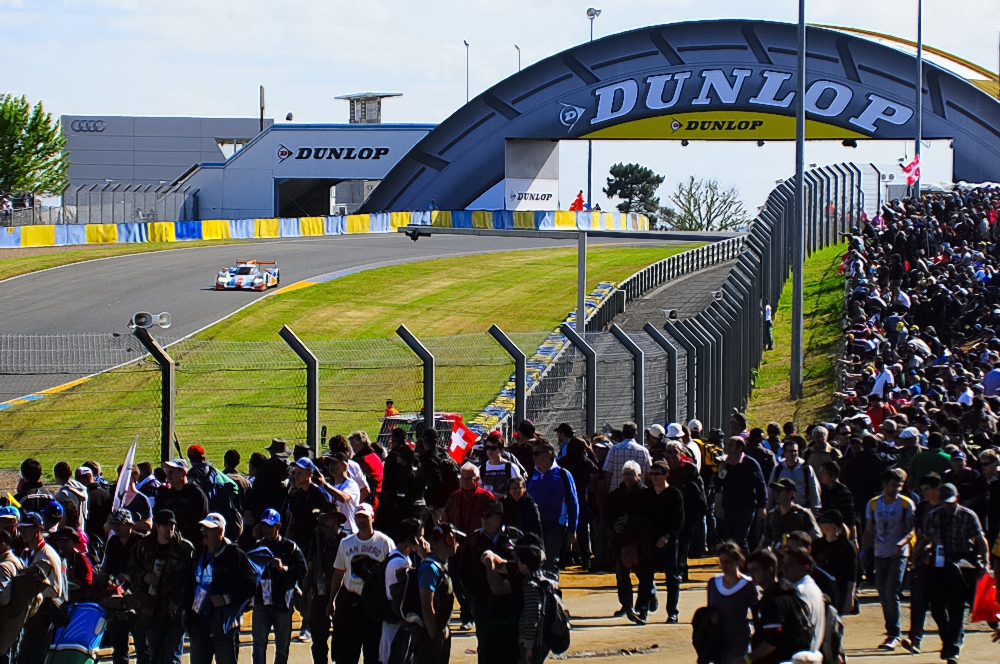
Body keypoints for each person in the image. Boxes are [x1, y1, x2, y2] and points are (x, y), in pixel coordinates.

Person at [922, 482, 989, 663]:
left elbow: (980, 539)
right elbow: (927, 539)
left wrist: (985, 562)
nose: (947, 506)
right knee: (936, 608)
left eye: (950, 502)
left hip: (962, 563)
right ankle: (949, 640)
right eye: (944, 502)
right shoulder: (933, 516)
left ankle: (954, 646)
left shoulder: (968, 516)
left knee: (956, 607)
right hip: (940, 562)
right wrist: (922, 553)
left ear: (957, 498)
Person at [187, 512, 256, 664]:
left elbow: (250, 585)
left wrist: (227, 598)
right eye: (203, 528)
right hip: (200, 623)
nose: (204, 532)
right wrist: (188, 618)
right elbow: (190, 582)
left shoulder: (235, 554)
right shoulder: (199, 551)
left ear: (220, 531)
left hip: (224, 625)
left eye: (208, 529)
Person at [330, 503, 395, 664]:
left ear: (372, 517)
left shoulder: (384, 543)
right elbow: (339, 572)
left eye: (364, 517)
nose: (360, 520)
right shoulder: (346, 543)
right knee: (347, 652)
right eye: (358, 516)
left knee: (373, 653)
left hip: (375, 603)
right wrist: (332, 599)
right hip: (351, 601)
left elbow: (393, 572)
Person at [129, 509, 194, 664]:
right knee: (156, 656)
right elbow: (131, 569)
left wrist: (179, 603)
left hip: (175, 611)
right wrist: (144, 577)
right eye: (165, 525)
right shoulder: (144, 545)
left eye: (172, 525)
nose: (169, 529)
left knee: (172, 657)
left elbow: (190, 580)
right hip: (151, 610)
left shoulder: (184, 548)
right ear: (157, 526)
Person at [461, 501, 522, 664]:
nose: (484, 520)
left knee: (511, 645)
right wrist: (473, 595)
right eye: (482, 516)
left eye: (489, 516)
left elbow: (526, 565)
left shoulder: (515, 537)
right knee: (485, 645)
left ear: (500, 518)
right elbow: (463, 570)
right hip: (483, 603)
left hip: (511, 603)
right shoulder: (473, 540)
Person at [861, 467, 915, 650]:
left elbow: (911, 529)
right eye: (893, 485)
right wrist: (862, 552)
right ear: (885, 485)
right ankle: (891, 629)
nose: (897, 489)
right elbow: (869, 530)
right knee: (883, 594)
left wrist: (902, 543)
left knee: (892, 593)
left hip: (898, 555)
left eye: (900, 485)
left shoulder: (906, 504)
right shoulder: (874, 504)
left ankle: (894, 633)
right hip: (879, 553)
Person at [251, 509, 307, 664]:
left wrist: (284, 569)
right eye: (263, 526)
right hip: (261, 602)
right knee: (258, 644)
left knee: (282, 648)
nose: (266, 530)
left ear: (278, 527)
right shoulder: (257, 547)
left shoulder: (290, 547)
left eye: (270, 526)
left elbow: (303, 571)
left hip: (282, 604)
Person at [746, 548, 812, 664]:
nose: (751, 575)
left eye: (755, 570)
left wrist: (749, 659)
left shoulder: (774, 600)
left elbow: (772, 640)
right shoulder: (786, 593)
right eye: (749, 570)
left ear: (770, 571)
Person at [16, 511, 65, 664]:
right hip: (33, 616)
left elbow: (57, 590)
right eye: (21, 528)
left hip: (45, 616)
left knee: (34, 658)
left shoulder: (47, 555)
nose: (22, 532)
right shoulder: (30, 552)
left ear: (38, 529)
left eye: (27, 529)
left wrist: (32, 588)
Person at [101, 509, 149, 664]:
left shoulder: (142, 542)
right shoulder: (112, 542)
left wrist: (132, 577)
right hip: (116, 600)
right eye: (113, 524)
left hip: (139, 599)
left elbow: (149, 569)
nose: (115, 528)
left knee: (143, 647)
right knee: (119, 648)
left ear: (129, 524)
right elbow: (106, 567)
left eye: (119, 524)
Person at [305, 503, 350, 664]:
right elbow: (310, 569)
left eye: (327, 518)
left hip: (341, 596)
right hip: (319, 595)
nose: (323, 521)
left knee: (341, 640)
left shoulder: (345, 540)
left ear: (336, 521)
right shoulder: (315, 539)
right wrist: (305, 596)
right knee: (318, 641)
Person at [527, 439, 578, 571]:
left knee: (551, 564)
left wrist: (572, 530)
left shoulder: (563, 474)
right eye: (532, 453)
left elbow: (573, 503)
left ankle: (552, 590)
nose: (534, 457)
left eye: (537, 453)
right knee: (535, 565)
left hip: (556, 527)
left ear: (549, 453)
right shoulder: (530, 475)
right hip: (534, 528)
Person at [381, 518, 427, 664]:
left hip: (397, 625)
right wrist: (425, 556)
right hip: (396, 626)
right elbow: (400, 598)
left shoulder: (402, 558)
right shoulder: (399, 563)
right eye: (420, 536)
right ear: (412, 538)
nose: (423, 541)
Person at [414, 522, 461, 664]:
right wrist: (434, 639)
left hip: (439, 631)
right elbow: (427, 608)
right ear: (449, 540)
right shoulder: (430, 568)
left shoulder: (439, 565)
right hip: (429, 636)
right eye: (455, 539)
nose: (457, 543)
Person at [645, 459, 685, 624]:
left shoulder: (674, 494)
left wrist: (667, 537)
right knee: (646, 576)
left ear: (666, 475)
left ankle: (672, 612)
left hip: (668, 541)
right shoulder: (648, 494)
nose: (654, 477)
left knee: (672, 578)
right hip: (650, 540)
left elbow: (679, 520)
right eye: (652, 474)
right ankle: (644, 607)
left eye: (657, 474)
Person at [609, 460, 649, 624]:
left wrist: (631, 520)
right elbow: (607, 514)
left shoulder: (646, 494)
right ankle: (627, 605)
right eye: (625, 473)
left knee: (643, 575)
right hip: (621, 540)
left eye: (631, 474)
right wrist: (614, 524)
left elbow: (649, 516)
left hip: (640, 540)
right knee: (622, 575)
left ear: (638, 476)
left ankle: (645, 603)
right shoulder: (616, 494)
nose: (627, 477)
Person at [706, 541, 758, 663]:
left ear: (738, 561)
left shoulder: (748, 585)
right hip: (718, 641)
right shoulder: (713, 584)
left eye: (728, 562)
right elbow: (709, 612)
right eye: (721, 562)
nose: (724, 566)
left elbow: (756, 614)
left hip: (739, 641)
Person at [715, 436, 767, 554]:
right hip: (729, 506)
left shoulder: (750, 463)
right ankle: (736, 565)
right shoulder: (725, 463)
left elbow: (760, 485)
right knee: (732, 539)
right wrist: (721, 471)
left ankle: (746, 567)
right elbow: (717, 483)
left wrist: (762, 505)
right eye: (727, 444)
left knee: (740, 538)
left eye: (731, 445)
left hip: (746, 506)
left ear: (740, 448)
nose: (727, 447)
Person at [811, 509, 857, 617]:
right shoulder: (817, 544)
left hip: (839, 592)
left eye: (824, 521)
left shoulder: (847, 547)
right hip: (820, 589)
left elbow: (851, 575)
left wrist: (850, 597)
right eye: (820, 521)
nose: (821, 524)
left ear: (834, 525)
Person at [156, 458, 208, 546]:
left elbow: (201, 521)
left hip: (191, 542)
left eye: (171, 472)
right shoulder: (166, 495)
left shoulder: (195, 494)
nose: (168, 476)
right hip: (170, 542)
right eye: (167, 473)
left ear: (182, 473)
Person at [516, 535, 551, 664]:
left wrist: (528, 647)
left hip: (533, 642)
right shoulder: (544, 580)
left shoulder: (531, 586)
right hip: (543, 639)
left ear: (524, 565)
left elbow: (532, 617)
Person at [763, 478, 821, 547]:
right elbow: (765, 542)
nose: (776, 493)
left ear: (791, 493)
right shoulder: (771, 515)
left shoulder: (802, 514)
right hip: (778, 554)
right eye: (775, 491)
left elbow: (817, 537)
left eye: (780, 491)